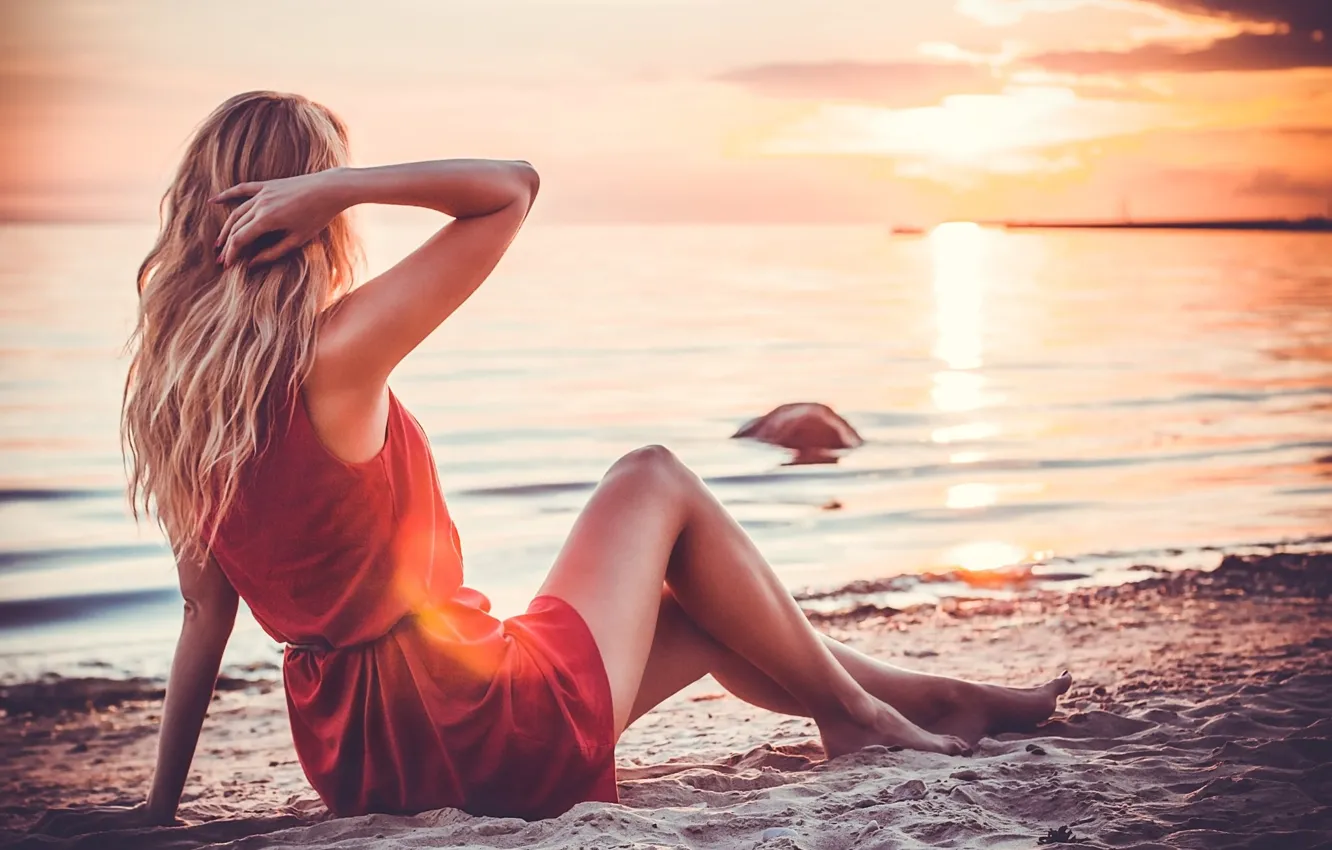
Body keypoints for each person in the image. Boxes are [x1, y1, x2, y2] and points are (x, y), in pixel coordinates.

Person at [43, 91, 1070, 833]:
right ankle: (859, 710)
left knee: (698, 613)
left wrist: (158, 809)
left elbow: (202, 620)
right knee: (653, 475)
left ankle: (927, 699)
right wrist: (341, 182)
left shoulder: (181, 407)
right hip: (478, 723)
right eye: (328, 197)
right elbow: (511, 189)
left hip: (359, 760)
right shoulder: (337, 354)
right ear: (308, 214)